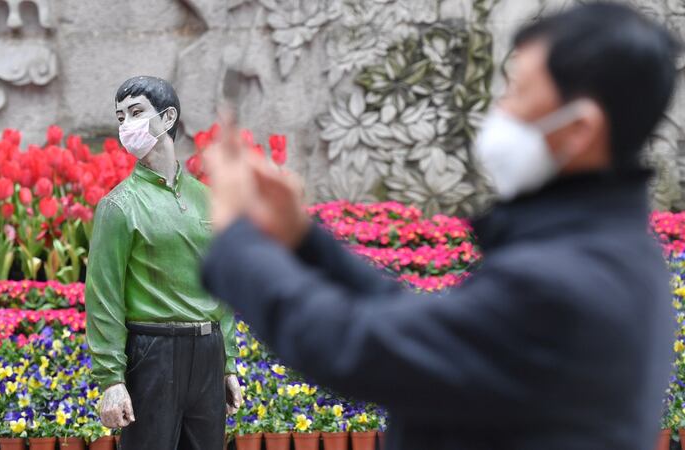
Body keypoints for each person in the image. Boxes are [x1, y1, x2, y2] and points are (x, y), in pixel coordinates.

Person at [200, 3, 680, 449]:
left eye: (517, 94)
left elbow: (355, 346)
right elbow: (413, 324)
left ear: (580, 130)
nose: (500, 113)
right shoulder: (609, 255)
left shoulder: (563, 280)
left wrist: (237, 237)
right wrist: (301, 240)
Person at [85, 76, 241, 449]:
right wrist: (111, 379)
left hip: (207, 351)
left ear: (167, 118)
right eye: (121, 117)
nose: (127, 125)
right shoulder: (119, 207)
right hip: (152, 352)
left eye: (136, 113)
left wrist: (228, 363)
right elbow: (104, 296)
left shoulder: (208, 200)